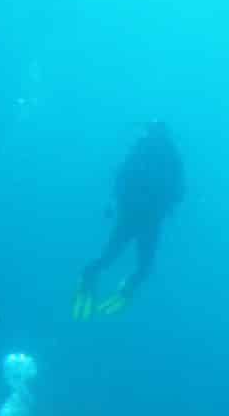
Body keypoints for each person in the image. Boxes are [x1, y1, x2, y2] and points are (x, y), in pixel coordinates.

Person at [73, 121, 184, 319]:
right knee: (144, 266)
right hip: (151, 217)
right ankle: (125, 289)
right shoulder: (172, 155)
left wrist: (114, 204)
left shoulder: (140, 149)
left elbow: (119, 178)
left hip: (129, 214)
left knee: (108, 256)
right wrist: (167, 206)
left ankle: (88, 276)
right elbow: (179, 191)